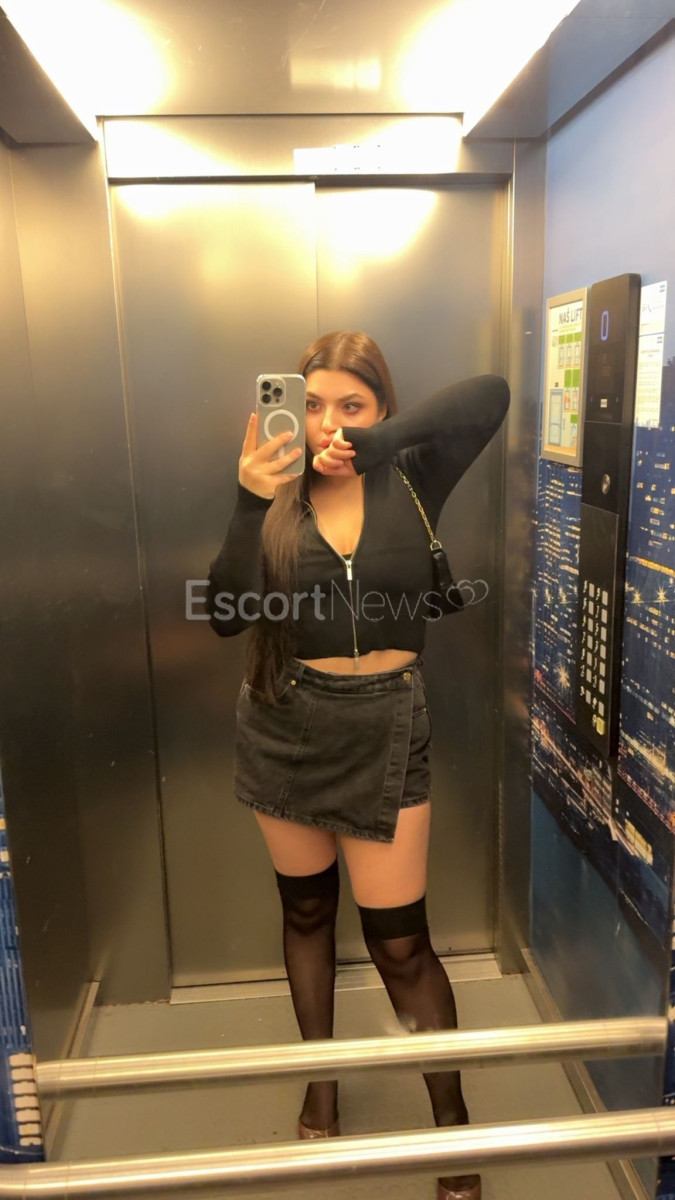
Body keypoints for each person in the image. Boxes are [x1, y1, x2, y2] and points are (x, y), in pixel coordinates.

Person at [206, 331, 510, 1200]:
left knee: (400, 942)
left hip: (386, 722)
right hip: (283, 719)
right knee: (306, 914)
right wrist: (246, 499)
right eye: (310, 405)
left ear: (380, 410)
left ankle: (452, 1129)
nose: (327, 422)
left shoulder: (413, 476)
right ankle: (322, 1082)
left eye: (351, 404)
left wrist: (376, 446)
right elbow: (227, 613)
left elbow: (489, 393)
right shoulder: (269, 491)